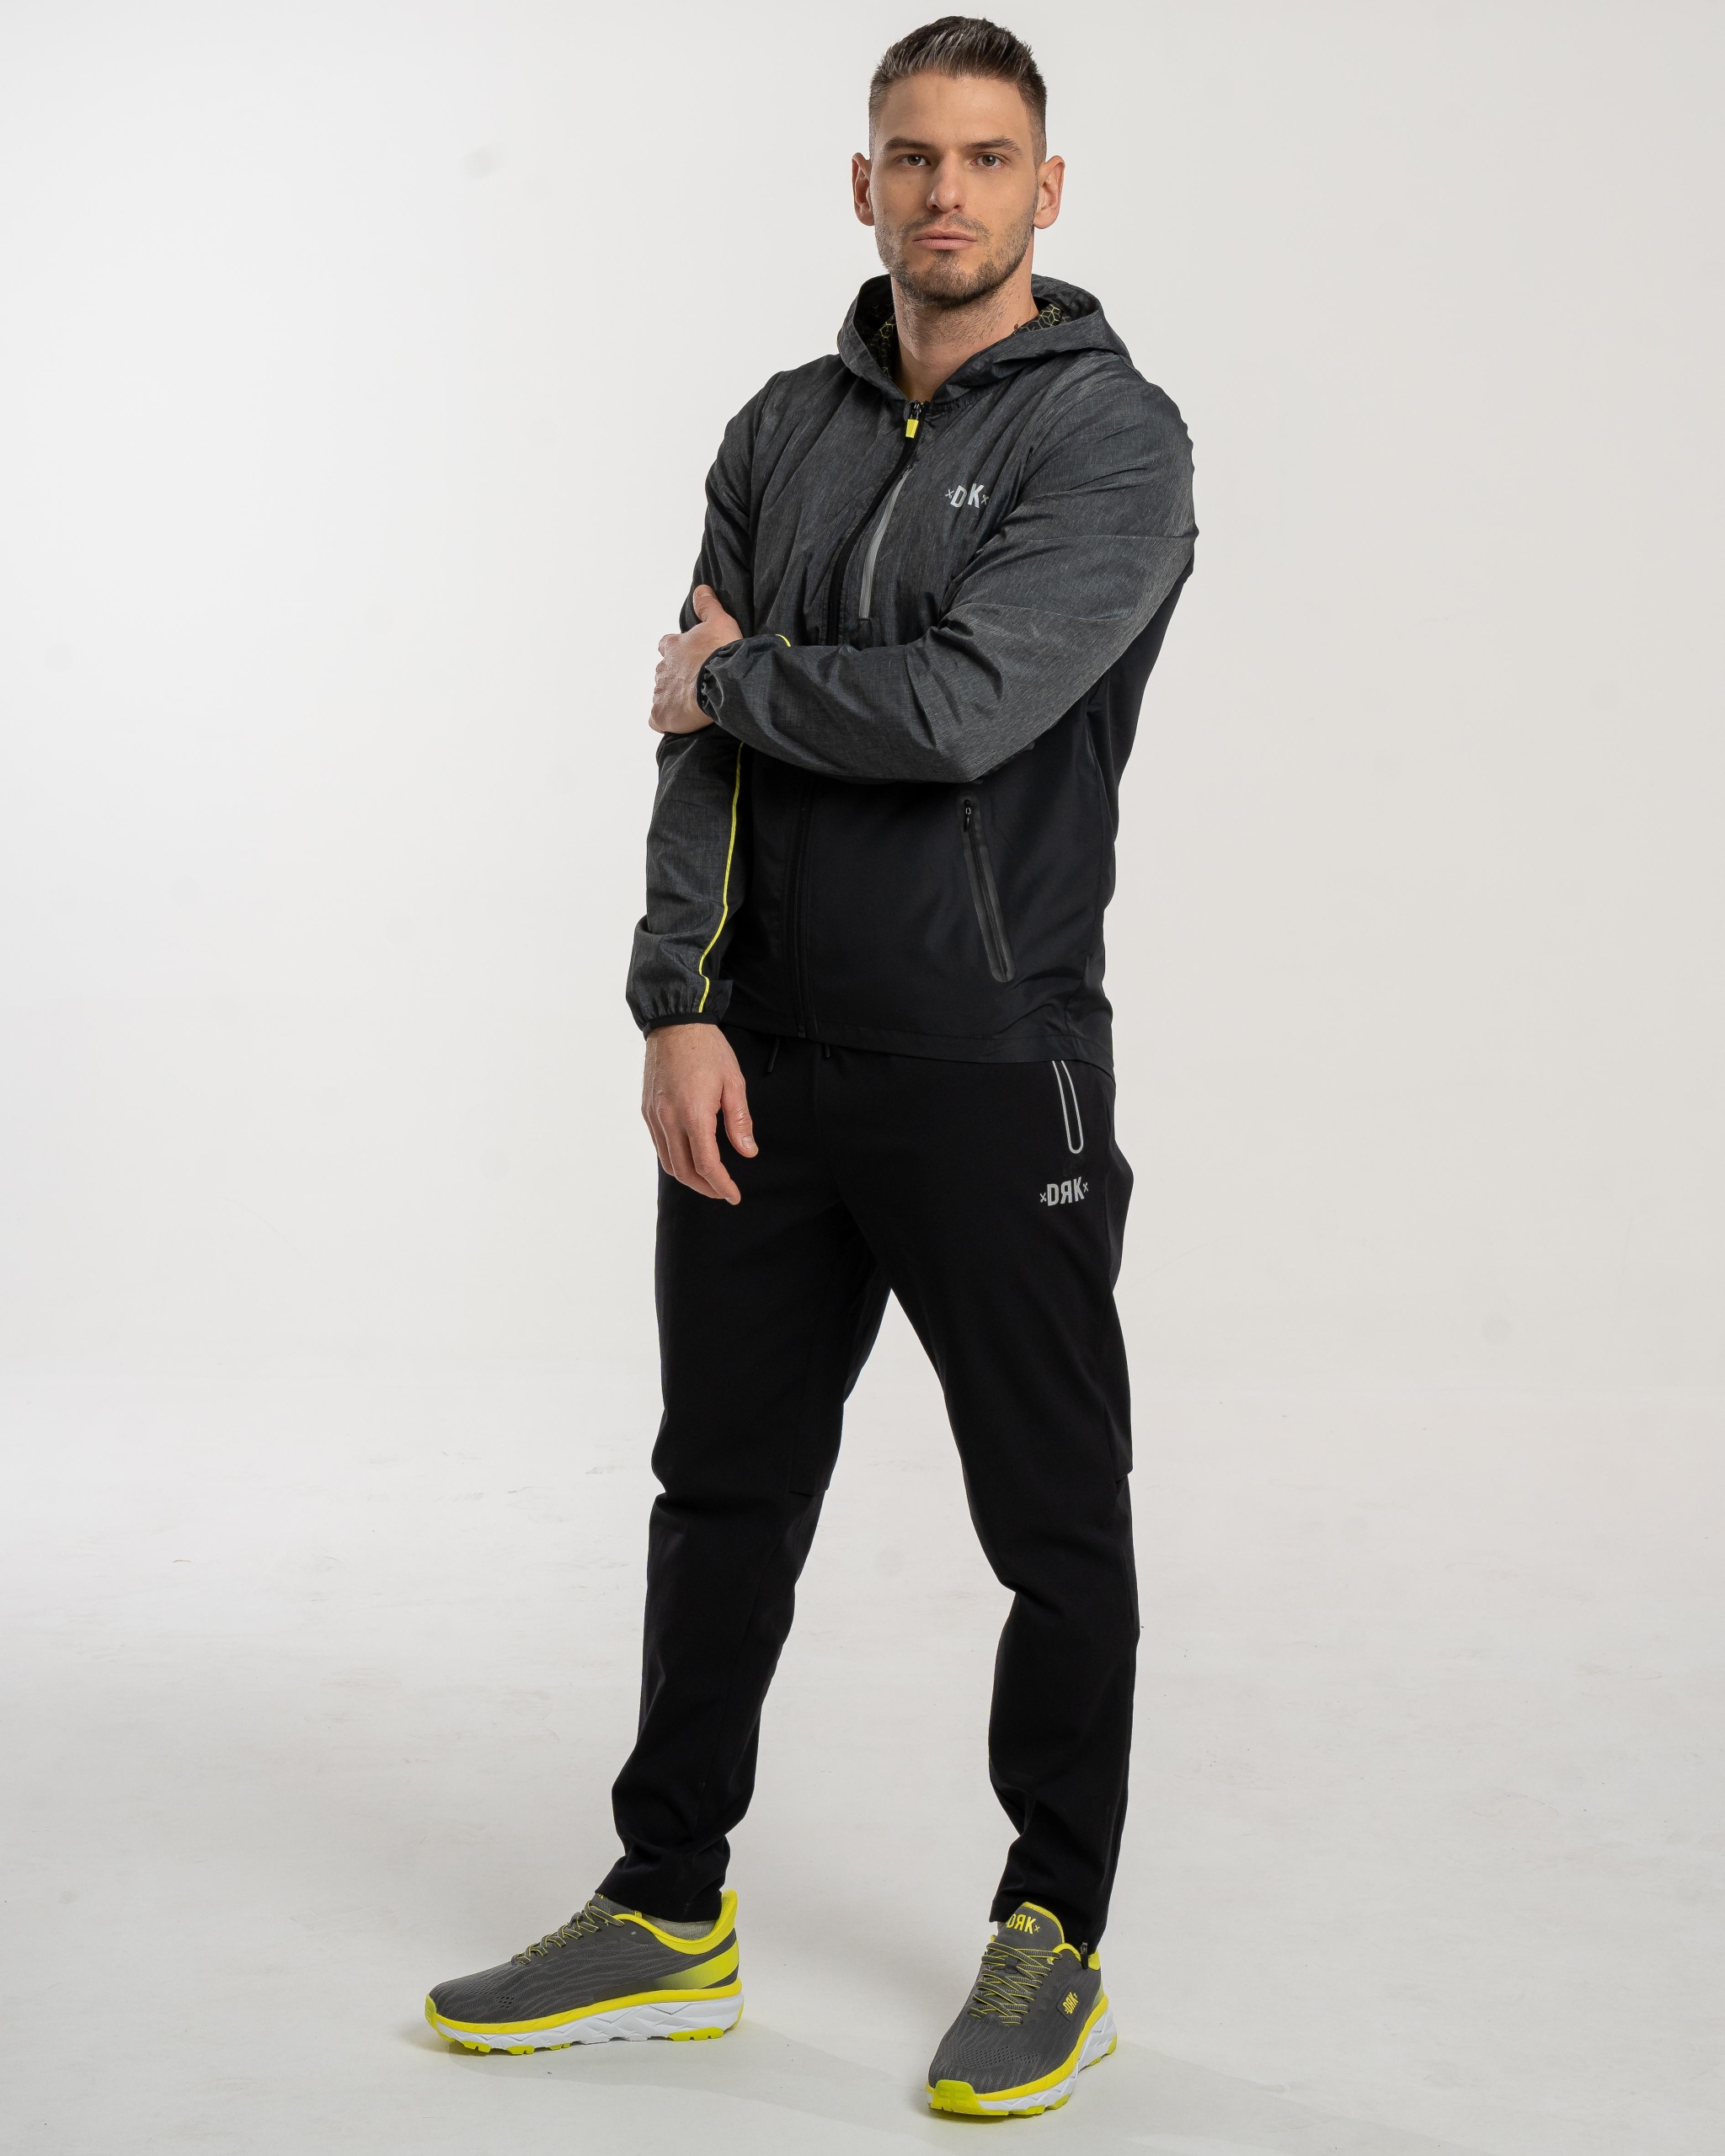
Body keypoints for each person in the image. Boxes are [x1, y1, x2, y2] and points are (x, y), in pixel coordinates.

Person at [425, 14, 1196, 2120]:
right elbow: (696, 758)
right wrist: (672, 998)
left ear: (1047, 188)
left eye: (986, 156)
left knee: (1053, 1517)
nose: (946, 190)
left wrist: (738, 674)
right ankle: (667, 1901)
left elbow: (962, 706)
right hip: (759, 1060)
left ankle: (1054, 1925)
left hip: (990, 1063)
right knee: (721, 1492)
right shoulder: (782, 428)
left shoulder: (1113, 440)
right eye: (910, 155)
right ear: (862, 184)